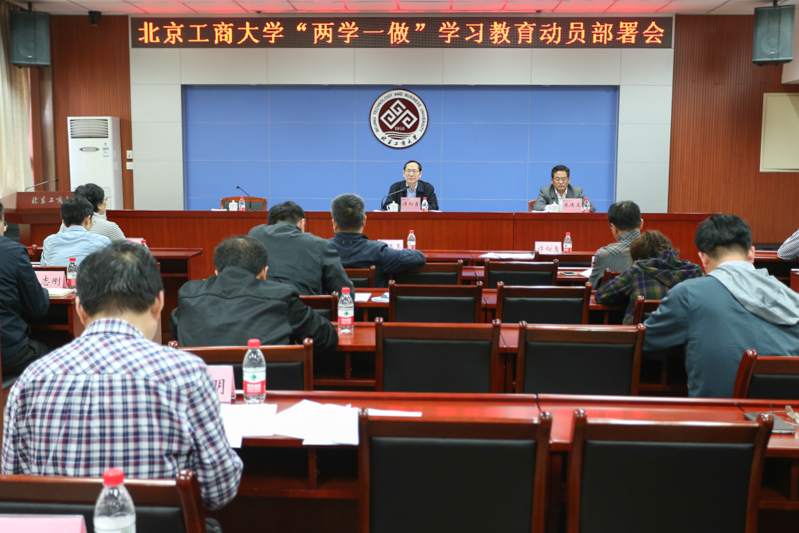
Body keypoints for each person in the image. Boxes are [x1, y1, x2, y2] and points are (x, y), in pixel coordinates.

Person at [2, 242, 243, 512]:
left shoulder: (31, 380)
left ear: (80, 308)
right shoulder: (187, 374)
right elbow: (219, 489)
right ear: (159, 303)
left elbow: (13, 490)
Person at [643, 215, 799, 398]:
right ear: (751, 253)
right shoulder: (792, 298)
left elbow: (647, 342)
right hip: (788, 412)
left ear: (703, 258)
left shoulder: (688, 294)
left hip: (718, 413)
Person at [170, 235, 338, 354]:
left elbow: (176, 328)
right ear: (264, 272)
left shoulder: (188, 294)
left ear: (216, 273)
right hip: (269, 390)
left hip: (201, 390)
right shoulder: (282, 296)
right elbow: (326, 338)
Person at [594, 230, 703, 324]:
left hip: (643, 339)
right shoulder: (695, 272)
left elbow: (601, 295)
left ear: (640, 258)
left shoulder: (637, 271)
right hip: (684, 340)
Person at [249, 201, 353, 296]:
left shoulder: (254, 235)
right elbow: (344, 291)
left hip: (259, 308)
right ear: (302, 223)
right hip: (305, 309)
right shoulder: (319, 245)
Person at [329, 193, 426, 288]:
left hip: (333, 299)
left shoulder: (322, 250)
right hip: (373, 299)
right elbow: (419, 258)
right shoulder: (378, 251)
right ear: (364, 221)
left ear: (334, 223)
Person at [0, 202, 51, 376]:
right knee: (56, 352)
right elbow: (38, 308)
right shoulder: (13, 252)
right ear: (1, 221)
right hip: (8, 354)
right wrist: (44, 291)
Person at [41, 196, 111, 266]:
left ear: (64, 223)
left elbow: (44, 267)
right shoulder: (102, 242)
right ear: (87, 219)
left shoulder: (49, 242)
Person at [588, 200, 643, 289]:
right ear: (641, 223)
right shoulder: (660, 251)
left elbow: (592, 288)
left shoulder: (604, 254)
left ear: (614, 228)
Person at [59, 183, 126, 242]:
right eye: (104, 199)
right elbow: (126, 250)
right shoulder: (110, 227)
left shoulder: (67, 225)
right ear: (99, 205)